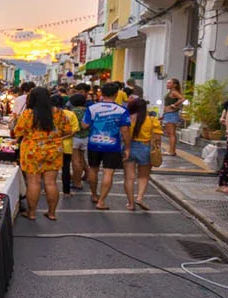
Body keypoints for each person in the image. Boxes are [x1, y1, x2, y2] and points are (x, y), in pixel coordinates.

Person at [13, 87, 76, 220]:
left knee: (33, 182)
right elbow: (69, 130)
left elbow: (18, 132)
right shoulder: (58, 112)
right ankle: (52, 213)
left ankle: (31, 213)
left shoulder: (28, 114)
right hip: (53, 150)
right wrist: (55, 137)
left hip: (32, 150)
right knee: (51, 182)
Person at [83, 82, 132, 210]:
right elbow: (125, 130)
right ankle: (101, 201)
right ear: (116, 94)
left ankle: (94, 195)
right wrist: (127, 147)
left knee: (93, 169)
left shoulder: (92, 108)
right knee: (108, 172)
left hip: (94, 143)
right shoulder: (122, 110)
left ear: (102, 94)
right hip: (112, 145)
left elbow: (84, 125)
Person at [124, 98, 162, 210]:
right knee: (143, 176)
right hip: (145, 147)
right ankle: (139, 198)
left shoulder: (127, 119)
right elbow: (157, 136)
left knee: (129, 177)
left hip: (129, 147)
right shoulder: (151, 120)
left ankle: (130, 204)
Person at [52, 94, 80, 196]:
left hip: (51, 145)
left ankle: (49, 189)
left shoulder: (49, 113)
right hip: (66, 146)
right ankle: (66, 191)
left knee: (50, 170)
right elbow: (74, 131)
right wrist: (62, 138)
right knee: (66, 168)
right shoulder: (70, 114)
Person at [68, 93, 90, 192]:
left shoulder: (73, 112)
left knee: (75, 161)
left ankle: (77, 182)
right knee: (81, 159)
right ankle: (83, 176)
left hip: (75, 137)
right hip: (85, 137)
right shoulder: (88, 111)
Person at [160, 78, 184, 156]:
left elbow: (182, 98)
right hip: (169, 114)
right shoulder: (171, 92)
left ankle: (171, 151)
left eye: (169, 83)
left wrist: (174, 105)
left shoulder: (174, 92)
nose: (167, 84)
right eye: (167, 83)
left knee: (171, 133)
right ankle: (172, 150)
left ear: (175, 85)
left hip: (171, 114)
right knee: (171, 133)